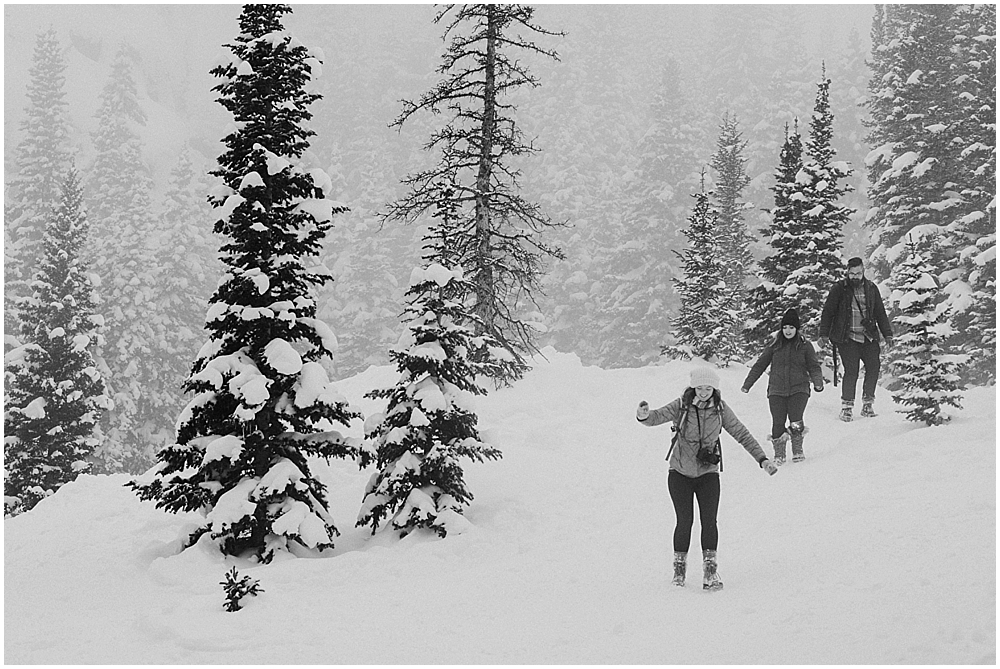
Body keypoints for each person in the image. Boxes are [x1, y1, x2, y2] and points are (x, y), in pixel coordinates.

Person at [636, 366, 777, 591]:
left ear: (714, 389)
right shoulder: (681, 405)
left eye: (708, 388)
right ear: (693, 387)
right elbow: (656, 417)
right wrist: (643, 415)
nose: (703, 392)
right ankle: (679, 571)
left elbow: (741, 433)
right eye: (699, 388)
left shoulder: (720, 410)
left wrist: (762, 459)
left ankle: (710, 572)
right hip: (679, 473)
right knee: (685, 521)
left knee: (709, 521)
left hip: (708, 473)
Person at [741, 308, 824, 464]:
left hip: (799, 389)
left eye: (791, 327)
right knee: (778, 421)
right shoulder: (774, 345)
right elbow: (760, 365)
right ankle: (779, 453)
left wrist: (818, 382)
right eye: (785, 327)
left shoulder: (805, 346)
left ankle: (797, 449)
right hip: (776, 390)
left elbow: (813, 366)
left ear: (797, 329)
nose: (788, 331)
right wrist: (748, 384)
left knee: (796, 419)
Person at [819, 257, 893, 422]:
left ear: (863, 271)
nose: (855, 276)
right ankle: (847, 407)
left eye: (858, 273)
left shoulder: (872, 288)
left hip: (869, 337)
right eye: (852, 273)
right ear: (847, 272)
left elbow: (880, 312)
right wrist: (824, 334)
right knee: (851, 371)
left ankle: (868, 404)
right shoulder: (839, 289)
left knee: (873, 368)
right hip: (847, 337)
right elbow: (828, 311)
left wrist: (887, 334)